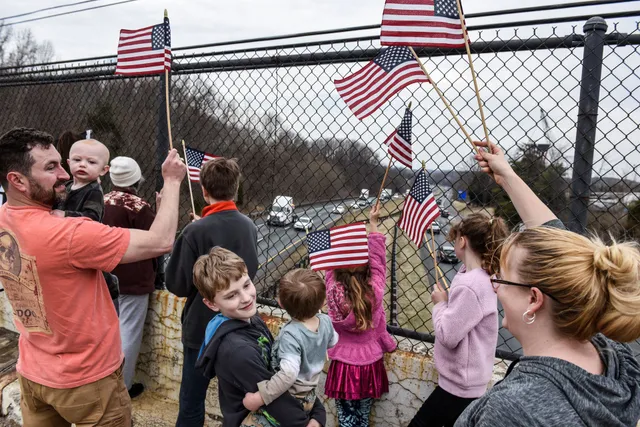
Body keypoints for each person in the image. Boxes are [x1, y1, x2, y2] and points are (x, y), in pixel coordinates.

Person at [0, 127, 186, 426]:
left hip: (32, 373)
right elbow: (161, 241)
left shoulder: (4, 218)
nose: (65, 174)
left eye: (61, 162)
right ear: (17, 180)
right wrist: (173, 181)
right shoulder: (70, 233)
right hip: (87, 381)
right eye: (51, 167)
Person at [454, 140, 640, 427]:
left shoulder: (512, 409)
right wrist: (508, 177)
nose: (494, 286)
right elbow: (560, 251)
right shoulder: (615, 359)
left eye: (501, 277)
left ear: (534, 299)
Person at [165, 157, 259, 426]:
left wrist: (193, 233)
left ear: (203, 190)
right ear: (236, 188)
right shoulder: (249, 226)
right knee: (235, 398)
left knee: (192, 397)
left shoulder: (195, 231)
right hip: (239, 323)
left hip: (202, 328)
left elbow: (178, 285)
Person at [193, 247, 326, 427]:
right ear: (211, 304)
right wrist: (313, 420)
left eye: (246, 285)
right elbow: (275, 399)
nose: (246, 298)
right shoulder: (237, 351)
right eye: (231, 295)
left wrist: (317, 411)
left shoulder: (252, 319)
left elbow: (280, 374)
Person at [408, 214, 508, 427]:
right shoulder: (481, 276)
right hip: (469, 381)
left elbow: (447, 335)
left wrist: (439, 304)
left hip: (460, 386)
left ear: (462, 241)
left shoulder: (471, 285)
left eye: (455, 239)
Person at [324, 204, 397, 427]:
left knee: (346, 417)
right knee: (362, 418)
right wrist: (373, 226)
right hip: (369, 363)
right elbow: (379, 263)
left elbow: (329, 271)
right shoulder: (374, 291)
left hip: (343, 365)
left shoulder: (332, 290)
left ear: (336, 266)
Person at [242, 269, 339, 414]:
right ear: (322, 302)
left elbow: (289, 374)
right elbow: (333, 341)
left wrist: (260, 396)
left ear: (280, 303)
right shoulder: (325, 321)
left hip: (290, 397)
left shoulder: (291, 335)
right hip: (309, 394)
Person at [102, 156, 158, 399]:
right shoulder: (140, 207)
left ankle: (102, 382)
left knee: (106, 332)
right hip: (134, 280)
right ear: (136, 178)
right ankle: (121, 389)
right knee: (129, 334)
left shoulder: (100, 200)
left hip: (104, 274)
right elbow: (158, 239)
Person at [51, 137, 120, 309]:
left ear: (104, 170)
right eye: (77, 160)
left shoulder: (94, 191)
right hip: (64, 243)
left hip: (85, 241)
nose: (82, 165)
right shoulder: (65, 187)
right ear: (68, 162)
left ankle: (109, 288)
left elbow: (92, 217)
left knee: (92, 273)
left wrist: (64, 214)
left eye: (91, 162)